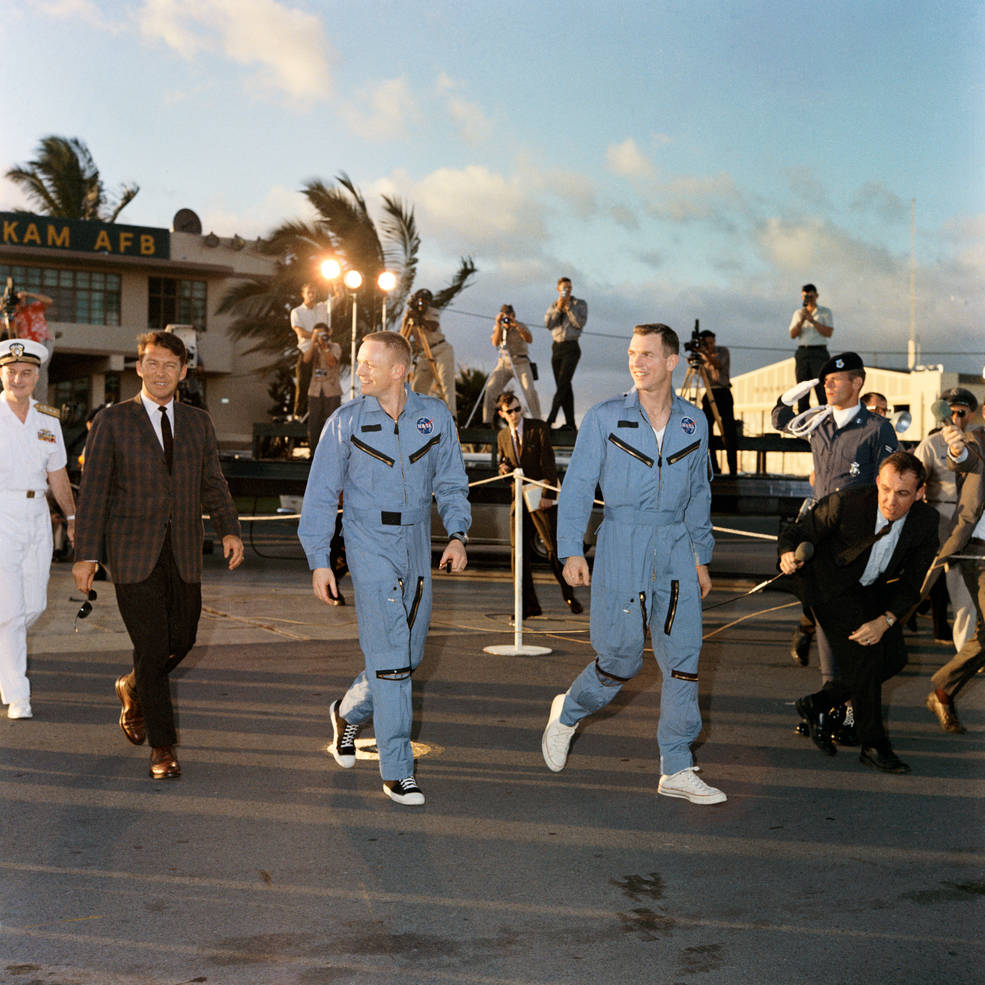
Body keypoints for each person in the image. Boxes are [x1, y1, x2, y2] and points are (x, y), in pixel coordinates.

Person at [540, 323, 726, 805]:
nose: (637, 363)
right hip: (622, 540)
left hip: (676, 545)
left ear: (672, 362)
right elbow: (578, 486)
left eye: (647, 354)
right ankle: (568, 713)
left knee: (684, 659)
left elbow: (699, 493)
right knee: (619, 658)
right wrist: (571, 551)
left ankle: (677, 766)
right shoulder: (604, 418)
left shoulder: (694, 422)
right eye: (631, 354)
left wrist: (701, 558)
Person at [299, 331, 470, 806]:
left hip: (417, 539)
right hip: (366, 539)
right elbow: (318, 496)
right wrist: (319, 560)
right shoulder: (345, 422)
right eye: (359, 362)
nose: (361, 371)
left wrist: (457, 534)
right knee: (393, 661)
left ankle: (348, 712)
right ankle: (398, 770)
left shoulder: (433, 416)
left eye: (370, 363)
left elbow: (452, 481)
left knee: (408, 656)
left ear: (399, 370)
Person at [72, 330, 244, 780]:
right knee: (151, 646)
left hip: (184, 549)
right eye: (153, 363)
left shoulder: (198, 422)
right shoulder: (112, 421)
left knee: (182, 640)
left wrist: (230, 529)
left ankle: (132, 685)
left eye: (171, 365)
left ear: (183, 372)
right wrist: (86, 554)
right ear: (139, 367)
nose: (161, 372)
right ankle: (162, 749)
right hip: (131, 551)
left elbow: (213, 481)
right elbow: (94, 494)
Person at [780, 452, 938, 773]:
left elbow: (912, 584)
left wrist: (887, 620)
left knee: (895, 659)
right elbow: (798, 532)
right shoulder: (846, 503)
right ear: (878, 482)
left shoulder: (926, 521)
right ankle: (873, 743)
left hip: (870, 590)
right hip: (827, 587)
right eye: (886, 489)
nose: (891, 500)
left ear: (920, 493)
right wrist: (786, 554)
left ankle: (818, 704)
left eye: (903, 493)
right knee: (866, 658)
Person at [773, 352, 898, 676]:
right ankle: (836, 701)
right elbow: (779, 419)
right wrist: (794, 393)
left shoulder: (876, 428)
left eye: (836, 380)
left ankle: (843, 703)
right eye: (825, 381)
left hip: (855, 537)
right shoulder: (818, 422)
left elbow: (892, 483)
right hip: (819, 530)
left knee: (851, 619)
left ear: (856, 383)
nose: (828, 385)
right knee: (827, 615)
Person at [0, 338, 76, 720]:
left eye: (26, 373)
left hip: (37, 514)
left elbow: (57, 473)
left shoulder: (48, 418)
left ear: (36, 376)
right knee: (12, 612)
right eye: (11, 372)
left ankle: (4, 646)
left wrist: (73, 517)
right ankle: (18, 695)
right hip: (1, 512)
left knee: (34, 605)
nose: (18, 378)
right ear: (1, 374)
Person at [495, 390, 582, 619]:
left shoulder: (538, 427)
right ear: (502, 413)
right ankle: (526, 606)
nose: (514, 414)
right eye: (509, 411)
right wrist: (504, 470)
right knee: (518, 555)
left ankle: (568, 593)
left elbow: (549, 461)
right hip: (518, 500)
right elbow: (502, 464)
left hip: (540, 497)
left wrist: (547, 493)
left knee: (553, 549)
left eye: (517, 409)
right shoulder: (502, 436)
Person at [924, 417, 985, 734]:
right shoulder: (976, 441)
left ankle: (942, 692)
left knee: (983, 637)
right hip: (980, 551)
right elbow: (964, 461)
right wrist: (956, 451)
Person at [914, 387, 978, 650]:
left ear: (971, 414)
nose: (955, 418)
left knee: (964, 591)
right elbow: (915, 482)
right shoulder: (931, 444)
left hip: (969, 521)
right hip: (939, 517)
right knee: (920, 587)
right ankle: (888, 628)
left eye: (961, 412)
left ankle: (966, 651)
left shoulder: (977, 443)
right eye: (950, 412)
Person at [402, 288, 457, 419]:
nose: (423, 305)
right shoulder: (410, 315)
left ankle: (451, 416)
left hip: (441, 349)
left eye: (426, 302)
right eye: (421, 302)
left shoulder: (433, 312)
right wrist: (407, 319)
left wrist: (419, 318)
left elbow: (433, 326)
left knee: (445, 382)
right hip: (425, 353)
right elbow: (403, 337)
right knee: (418, 387)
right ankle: (416, 417)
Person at [482, 305, 541, 423]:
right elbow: (495, 342)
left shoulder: (520, 325)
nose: (508, 318)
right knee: (490, 389)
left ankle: (537, 421)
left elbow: (529, 339)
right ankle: (487, 421)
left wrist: (516, 325)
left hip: (521, 362)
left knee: (529, 391)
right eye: (505, 315)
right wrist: (499, 324)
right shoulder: (499, 327)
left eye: (510, 315)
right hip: (504, 362)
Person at [543, 277, 587, 430]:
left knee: (563, 383)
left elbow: (580, 323)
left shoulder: (579, 304)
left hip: (572, 346)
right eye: (563, 288)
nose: (566, 290)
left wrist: (568, 309)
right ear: (558, 289)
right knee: (564, 386)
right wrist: (558, 309)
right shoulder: (553, 306)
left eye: (569, 287)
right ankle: (570, 423)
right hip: (557, 347)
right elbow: (548, 325)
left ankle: (550, 419)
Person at [695, 329, 739, 476]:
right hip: (709, 392)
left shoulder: (723, 351)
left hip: (723, 392)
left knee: (729, 431)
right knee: (707, 431)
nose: (710, 346)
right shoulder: (700, 357)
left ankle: (733, 471)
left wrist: (705, 354)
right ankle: (714, 469)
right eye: (707, 344)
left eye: (711, 342)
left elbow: (718, 365)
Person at [788, 283, 834, 413]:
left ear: (816, 296)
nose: (807, 299)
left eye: (810, 296)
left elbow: (828, 333)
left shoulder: (825, 312)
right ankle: (803, 421)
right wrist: (802, 319)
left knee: (822, 387)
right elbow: (792, 334)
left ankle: (826, 418)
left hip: (819, 352)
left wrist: (812, 320)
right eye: (804, 296)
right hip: (803, 351)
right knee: (802, 389)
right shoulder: (798, 313)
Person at [290, 283, 329, 420]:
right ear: (303, 294)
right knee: (303, 382)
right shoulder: (297, 312)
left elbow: (338, 298)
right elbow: (300, 332)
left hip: (321, 353)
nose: (312, 295)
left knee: (321, 382)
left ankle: (319, 413)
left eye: (314, 292)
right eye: (309, 292)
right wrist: (316, 336)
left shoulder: (322, 308)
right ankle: (299, 414)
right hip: (306, 350)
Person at [303, 322, 342, 451]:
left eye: (322, 334)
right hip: (315, 390)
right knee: (314, 423)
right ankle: (314, 452)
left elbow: (332, 363)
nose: (320, 337)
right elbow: (306, 360)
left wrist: (325, 347)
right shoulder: (313, 348)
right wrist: (313, 341)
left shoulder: (335, 346)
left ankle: (331, 452)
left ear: (328, 333)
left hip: (331, 390)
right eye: (317, 334)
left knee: (331, 423)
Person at [10, 289, 54, 401]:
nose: (22, 302)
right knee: (29, 373)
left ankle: (40, 403)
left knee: (41, 371)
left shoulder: (35, 307)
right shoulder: (14, 317)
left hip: (42, 341)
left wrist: (28, 294)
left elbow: (49, 301)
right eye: (19, 301)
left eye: (23, 299)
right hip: (28, 348)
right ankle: (30, 401)